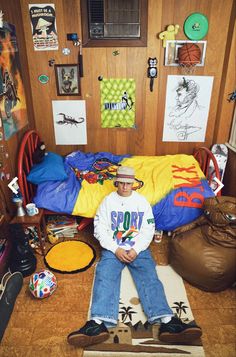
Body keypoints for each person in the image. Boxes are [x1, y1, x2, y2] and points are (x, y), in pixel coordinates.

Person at [67, 166, 202, 347]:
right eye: (121, 183)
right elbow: (99, 229)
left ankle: (168, 322)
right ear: (116, 183)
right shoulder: (108, 202)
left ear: (134, 184)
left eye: (128, 183)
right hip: (113, 249)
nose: (124, 187)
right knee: (104, 275)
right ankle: (97, 324)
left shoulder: (141, 202)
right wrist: (115, 249)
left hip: (138, 249)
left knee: (150, 277)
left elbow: (148, 228)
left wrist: (136, 249)